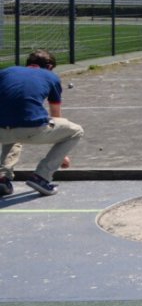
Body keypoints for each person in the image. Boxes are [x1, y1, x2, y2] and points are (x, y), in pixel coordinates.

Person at [0, 49, 84, 197]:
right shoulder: (51, 76)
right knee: (75, 131)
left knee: (13, 129)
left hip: (2, 130)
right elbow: (56, 115)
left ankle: (2, 177)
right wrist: (61, 154)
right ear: (50, 66)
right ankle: (42, 176)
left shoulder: (6, 72)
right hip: (31, 130)